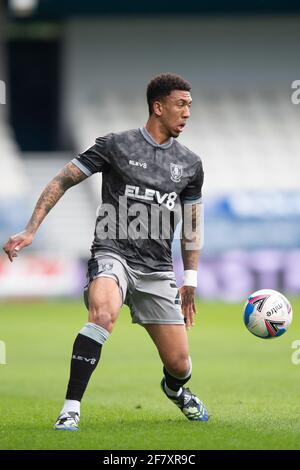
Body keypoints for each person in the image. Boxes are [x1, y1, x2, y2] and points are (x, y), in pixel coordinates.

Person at [3, 73, 208, 430]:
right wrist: (31, 228)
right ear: (158, 107)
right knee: (102, 314)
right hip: (112, 253)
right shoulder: (116, 145)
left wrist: (189, 278)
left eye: (189, 105)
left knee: (180, 364)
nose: (187, 112)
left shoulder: (191, 164)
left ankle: (176, 391)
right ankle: (70, 408)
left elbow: (192, 224)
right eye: (181, 104)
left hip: (158, 269)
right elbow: (62, 180)